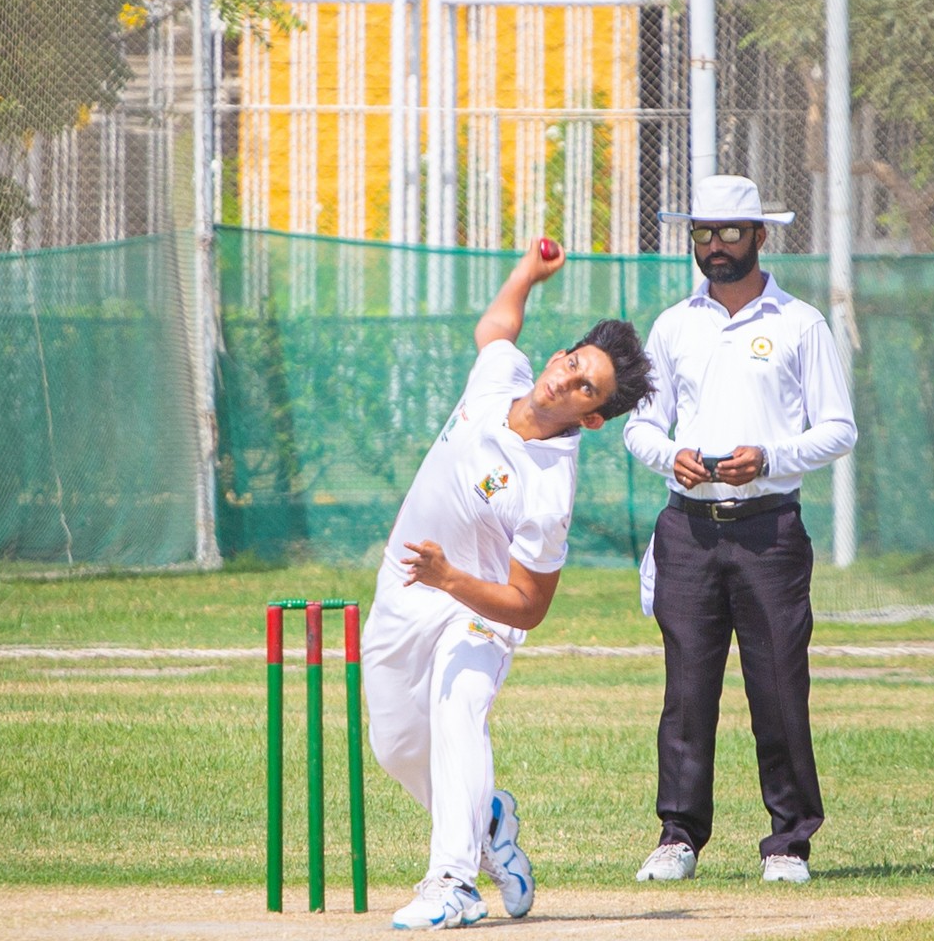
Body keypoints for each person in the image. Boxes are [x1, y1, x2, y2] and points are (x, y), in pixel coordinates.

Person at [362, 238, 655, 930]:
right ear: (558, 356)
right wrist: (527, 273)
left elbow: (529, 605)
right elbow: (495, 329)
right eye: (574, 364)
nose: (569, 382)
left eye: (588, 389)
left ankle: (453, 884)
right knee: (395, 746)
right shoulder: (500, 379)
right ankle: (488, 820)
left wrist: (452, 579)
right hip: (405, 591)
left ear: (592, 417)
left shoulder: (548, 491)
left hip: (481, 609)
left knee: (457, 708)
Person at [623, 175, 857, 887]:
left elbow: (839, 428)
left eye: (730, 232)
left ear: (759, 236)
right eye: (703, 233)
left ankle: (788, 842)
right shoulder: (672, 325)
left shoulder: (800, 323)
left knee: (778, 688)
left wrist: (771, 458)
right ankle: (677, 836)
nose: (715, 246)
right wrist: (672, 457)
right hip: (687, 529)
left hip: (769, 529)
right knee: (687, 692)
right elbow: (640, 427)